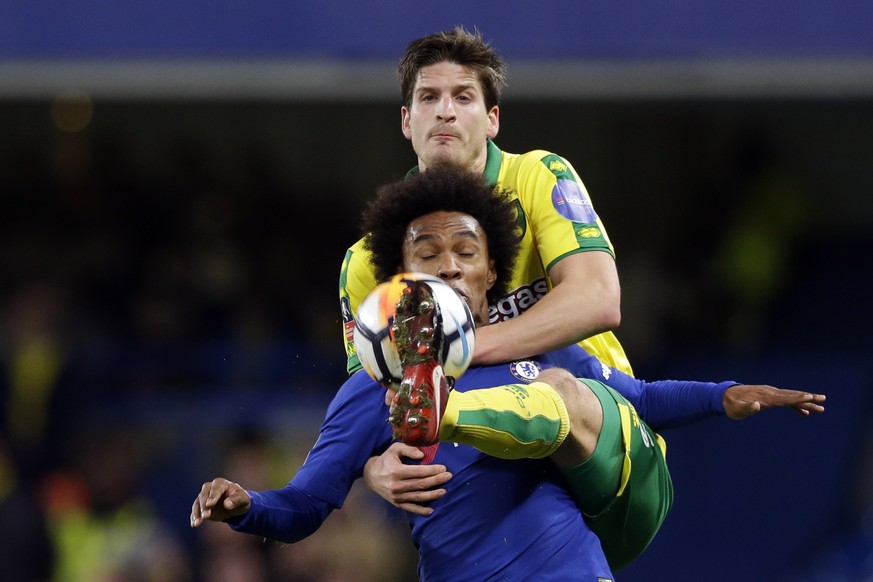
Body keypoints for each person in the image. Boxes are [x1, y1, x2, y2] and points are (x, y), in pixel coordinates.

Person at [191, 168, 825, 580]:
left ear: (491, 273)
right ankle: (447, 408)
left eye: (465, 253)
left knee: (565, 394)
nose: (449, 267)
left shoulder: (545, 351)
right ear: (400, 279)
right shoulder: (371, 387)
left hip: (572, 571)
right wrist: (247, 506)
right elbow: (307, 503)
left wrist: (726, 396)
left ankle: (449, 411)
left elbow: (636, 399)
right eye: (428, 255)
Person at [340, 26, 630, 380]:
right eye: (429, 97)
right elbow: (370, 385)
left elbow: (597, 298)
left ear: (492, 120)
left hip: (596, 400)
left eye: (463, 97)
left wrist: (462, 348)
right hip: (471, 424)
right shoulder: (364, 261)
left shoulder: (538, 176)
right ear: (406, 121)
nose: (445, 111)